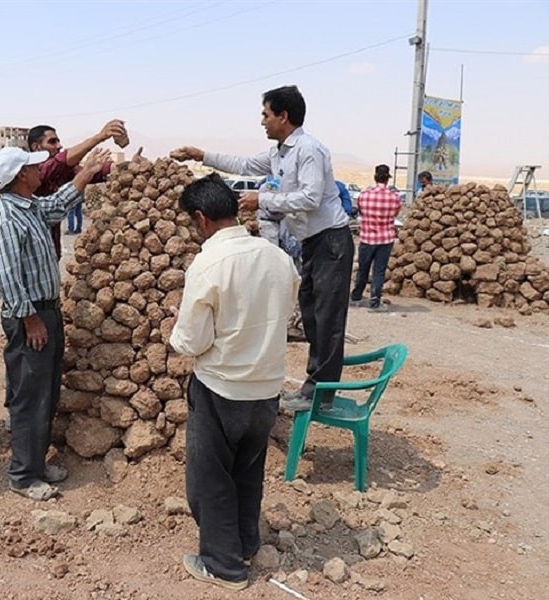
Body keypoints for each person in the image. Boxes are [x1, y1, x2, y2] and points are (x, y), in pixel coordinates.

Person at [170, 84, 354, 412]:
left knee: (328, 320)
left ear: (283, 116)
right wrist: (201, 155)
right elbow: (243, 164)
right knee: (312, 316)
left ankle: (321, 396)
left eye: (266, 114)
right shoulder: (278, 153)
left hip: (331, 241)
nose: (262, 121)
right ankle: (314, 388)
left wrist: (263, 199)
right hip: (313, 242)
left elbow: (311, 198)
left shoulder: (309, 150)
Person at [169, 174, 300, 591]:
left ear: (201, 218)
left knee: (210, 479)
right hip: (266, 388)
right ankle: (245, 543)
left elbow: (192, 341)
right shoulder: (277, 258)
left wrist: (177, 327)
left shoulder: (208, 264)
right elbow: (285, 310)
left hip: (221, 388)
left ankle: (223, 566)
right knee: (247, 471)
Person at [0, 145, 109, 501]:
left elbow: (58, 204)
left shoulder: (29, 207)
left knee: (46, 393)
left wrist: (87, 171)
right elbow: (7, 276)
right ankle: (23, 476)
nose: (40, 170)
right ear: (20, 176)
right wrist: (31, 320)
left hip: (45, 312)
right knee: (29, 396)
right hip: (31, 317)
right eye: (33, 167)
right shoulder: (8, 218)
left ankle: (36, 464)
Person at [28, 120, 125, 255]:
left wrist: (125, 167)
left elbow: (88, 172)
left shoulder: (60, 172)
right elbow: (60, 162)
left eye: (58, 141)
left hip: (50, 250)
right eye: (52, 142)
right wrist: (99, 137)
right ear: (36, 147)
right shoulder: (35, 171)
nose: (59, 146)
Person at [350, 164, 401, 312]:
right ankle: (374, 302)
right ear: (387, 179)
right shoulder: (394, 197)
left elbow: (361, 212)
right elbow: (395, 214)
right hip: (385, 239)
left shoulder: (364, 195)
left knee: (363, 269)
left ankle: (356, 297)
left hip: (367, 238)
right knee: (379, 271)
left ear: (375, 177)